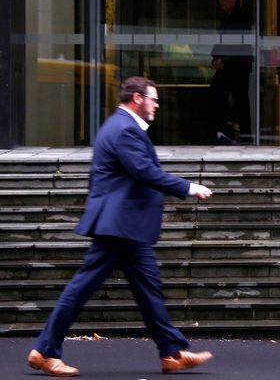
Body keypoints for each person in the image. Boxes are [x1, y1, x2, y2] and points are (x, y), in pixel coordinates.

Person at [27, 76, 214, 377]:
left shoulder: (120, 126)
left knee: (149, 290)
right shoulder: (124, 128)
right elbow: (143, 170)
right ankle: (45, 351)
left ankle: (171, 352)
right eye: (153, 98)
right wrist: (189, 187)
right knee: (81, 289)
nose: (157, 104)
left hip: (126, 227)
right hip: (117, 226)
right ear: (137, 98)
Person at [209, 0, 253, 143]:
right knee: (221, 97)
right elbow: (221, 42)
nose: (221, 1)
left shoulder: (241, 17)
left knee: (238, 100)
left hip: (237, 65)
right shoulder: (226, 18)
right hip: (230, 64)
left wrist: (222, 59)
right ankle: (225, 131)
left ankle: (239, 134)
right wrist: (216, 58)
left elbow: (236, 42)